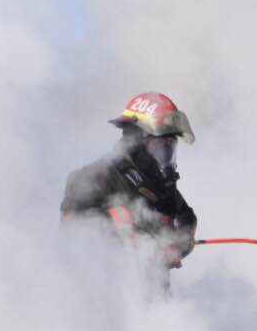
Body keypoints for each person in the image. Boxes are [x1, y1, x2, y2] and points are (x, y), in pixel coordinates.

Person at [61, 92, 198, 269]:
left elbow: (187, 218)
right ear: (136, 141)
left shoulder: (160, 183)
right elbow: (72, 240)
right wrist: (129, 237)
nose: (166, 154)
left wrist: (176, 247)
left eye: (170, 146)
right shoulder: (91, 178)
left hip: (155, 292)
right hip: (103, 290)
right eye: (160, 145)